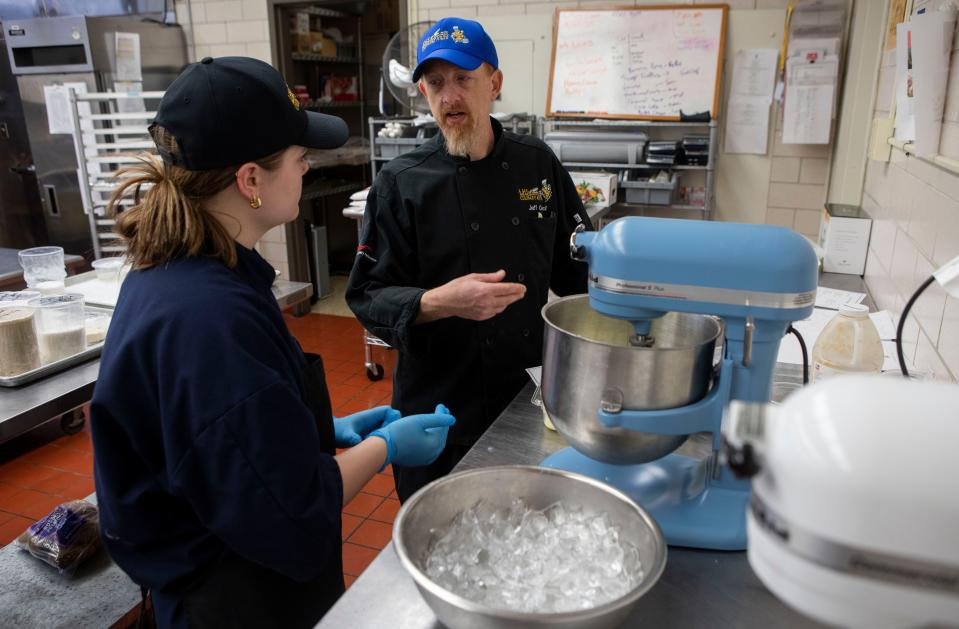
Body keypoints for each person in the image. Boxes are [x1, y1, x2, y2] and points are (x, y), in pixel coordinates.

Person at [89, 56, 455, 629]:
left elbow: (215, 430)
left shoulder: (188, 267)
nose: (307, 168)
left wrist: (313, 430)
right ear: (250, 180)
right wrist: (387, 447)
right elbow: (293, 508)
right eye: (299, 159)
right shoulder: (211, 321)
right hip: (233, 598)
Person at [346, 18, 592, 503]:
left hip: (527, 401)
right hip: (436, 415)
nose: (450, 96)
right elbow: (367, 294)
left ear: (494, 83)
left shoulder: (537, 164)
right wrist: (439, 301)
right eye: (436, 83)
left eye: (463, 79)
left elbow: (576, 269)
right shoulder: (402, 181)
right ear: (422, 91)